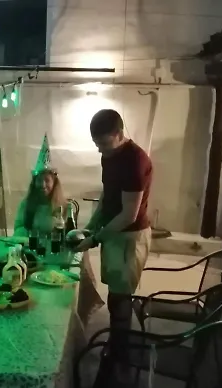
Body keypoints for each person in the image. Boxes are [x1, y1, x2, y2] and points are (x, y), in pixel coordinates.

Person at [76, 109, 152, 346]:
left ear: (119, 134)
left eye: (104, 144)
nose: (100, 150)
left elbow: (129, 215)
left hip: (130, 236)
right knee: (114, 294)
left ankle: (120, 352)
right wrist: (91, 225)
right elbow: (107, 194)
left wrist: (95, 239)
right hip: (113, 231)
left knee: (120, 299)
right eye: (96, 144)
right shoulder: (109, 155)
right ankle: (117, 345)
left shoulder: (135, 161)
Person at [14, 168, 66, 236]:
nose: (43, 185)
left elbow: (68, 233)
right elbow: (19, 228)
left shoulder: (63, 206)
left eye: (47, 180)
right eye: (39, 180)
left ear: (54, 183)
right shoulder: (26, 204)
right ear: (34, 183)